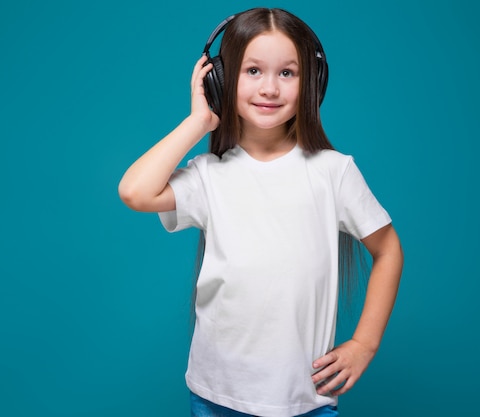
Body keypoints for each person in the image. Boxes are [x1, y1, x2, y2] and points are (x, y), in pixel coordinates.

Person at [118, 7, 403, 417]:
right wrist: (200, 121)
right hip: (217, 394)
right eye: (252, 71)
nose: (269, 87)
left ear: (311, 83)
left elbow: (389, 250)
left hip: (305, 398)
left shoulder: (333, 172)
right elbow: (134, 192)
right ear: (219, 80)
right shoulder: (208, 176)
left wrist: (364, 344)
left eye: (287, 73)